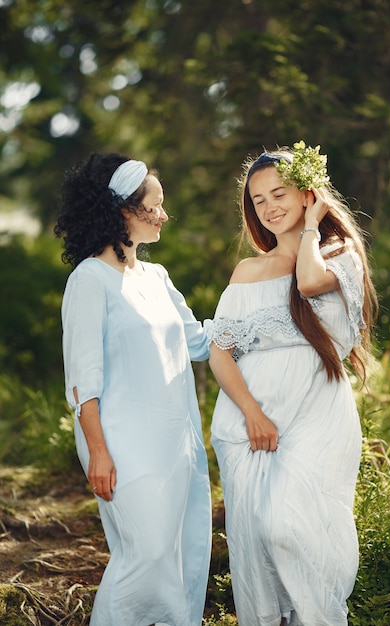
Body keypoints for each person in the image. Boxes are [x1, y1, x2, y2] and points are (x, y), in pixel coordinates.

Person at [208, 144, 378, 626]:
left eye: (278, 193)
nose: (268, 207)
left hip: (316, 411)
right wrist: (251, 413)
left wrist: (310, 228)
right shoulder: (248, 271)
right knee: (258, 534)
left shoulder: (340, 256)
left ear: (308, 194)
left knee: (292, 525)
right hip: (251, 417)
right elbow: (221, 353)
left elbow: (306, 282)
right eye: (258, 200)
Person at [54, 153, 212, 626]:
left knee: (176, 554)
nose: (164, 215)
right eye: (156, 205)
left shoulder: (157, 278)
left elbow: (201, 343)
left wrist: (266, 309)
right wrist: (98, 452)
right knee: (145, 556)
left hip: (173, 444)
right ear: (125, 210)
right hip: (122, 447)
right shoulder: (89, 279)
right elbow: (82, 379)